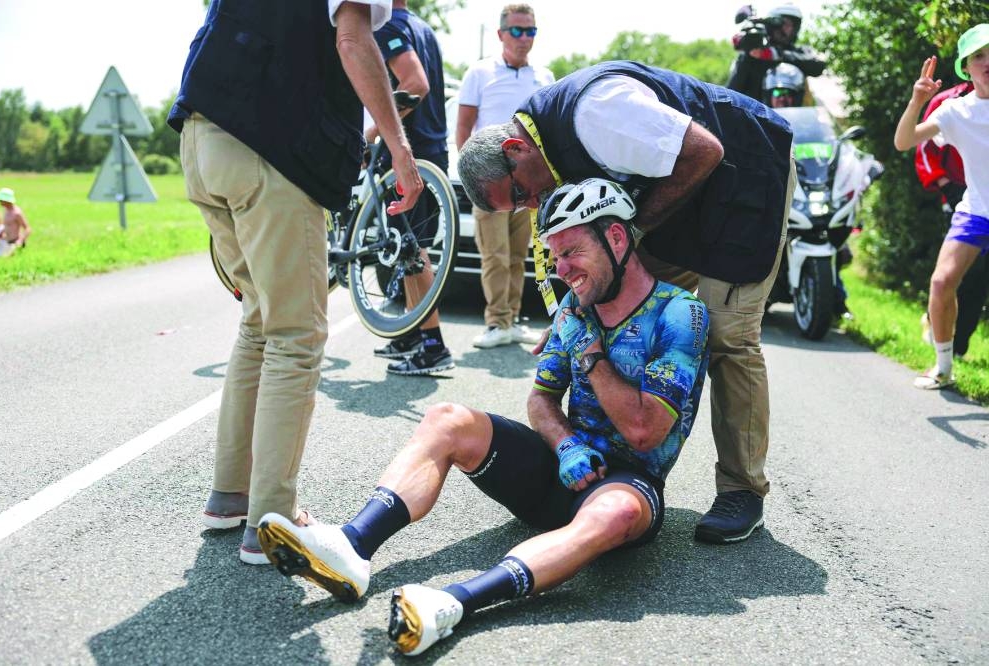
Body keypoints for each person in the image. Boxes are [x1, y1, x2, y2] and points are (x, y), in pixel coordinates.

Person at [256, 178, 709, 656]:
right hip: (560, 469)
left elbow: (644, 432)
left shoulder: (681, 314)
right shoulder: (579, 309)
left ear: (616, 239)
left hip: (625, 486)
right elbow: (542, 400)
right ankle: (351, 547)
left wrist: (591, 352)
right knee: (448, 418)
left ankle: (450, 605)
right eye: (554, 257)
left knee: (614, 511)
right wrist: (564, 443)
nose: (562, 270)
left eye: (571, 251)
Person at [457, 60, 795, 545]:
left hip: (746, 178)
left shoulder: (596, 113)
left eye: (520, 193)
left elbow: (705, 151)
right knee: (615, 290)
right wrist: (574, 312)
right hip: (686, 196)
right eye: (519, 205)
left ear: (516, 148)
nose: (532, 204)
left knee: (728, 336)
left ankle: (743, 489)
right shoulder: (544, 151)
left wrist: (631, 233)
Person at [166, 0, 423, 564]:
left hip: (202, 136)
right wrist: (401, 151)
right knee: (296, 335)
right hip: (268, 150)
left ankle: (229, 496)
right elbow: (353, 41)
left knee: (259, 324)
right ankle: (272, 519)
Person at [893, 24, 989, 389]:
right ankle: (944, 367)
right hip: (977, 210)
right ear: (967, 66)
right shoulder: (954, 111)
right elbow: (904, 142)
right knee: (941, 281)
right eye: (979, 55)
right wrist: (917, 101)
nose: (987, 61)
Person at [456, 3, 554, 349]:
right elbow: (464, 129)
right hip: (491, 183)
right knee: (493, 255)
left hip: (526, 185)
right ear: (501, 34)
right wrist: (474, 179)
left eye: (530, 31)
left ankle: (512, 319)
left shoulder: (544, 77)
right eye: (517, 30)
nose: (524, 38)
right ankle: (496, 322)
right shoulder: (479, 73)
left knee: (518, 256)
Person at [368, 0, 455, 376]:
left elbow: (416, 84)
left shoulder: (386, 28)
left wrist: (375, 131)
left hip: (411, 150)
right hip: (431, 148)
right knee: (407, 245)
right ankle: (411, 332)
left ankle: (433, 345)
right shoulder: (421, 27)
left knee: (413, 249)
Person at [914, 79, 988, 360]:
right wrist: (946, 185)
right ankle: (944, 342)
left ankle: (960, 346)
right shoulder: (948, 103)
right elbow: (922, 147)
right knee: (958, 277)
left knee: (979, 281)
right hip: (961, 198)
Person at [727, 3, 825, 105]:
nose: (788, 29)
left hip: (795, 117)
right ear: (772, 25)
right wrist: (748, 54)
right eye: (784, 24)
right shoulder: (753, 55)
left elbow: (818, 65)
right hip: (757, 118)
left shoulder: (800, 52)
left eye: (791, 25)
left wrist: (774, 54)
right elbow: (732, 92)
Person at [0, 188, 31, 252]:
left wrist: (20, 240)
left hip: (16, 244)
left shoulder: (17, 213)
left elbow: (28, 229)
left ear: (7, 200)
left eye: (1, 200)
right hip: (8, 242)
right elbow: (6, 226)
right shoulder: (6, 210)